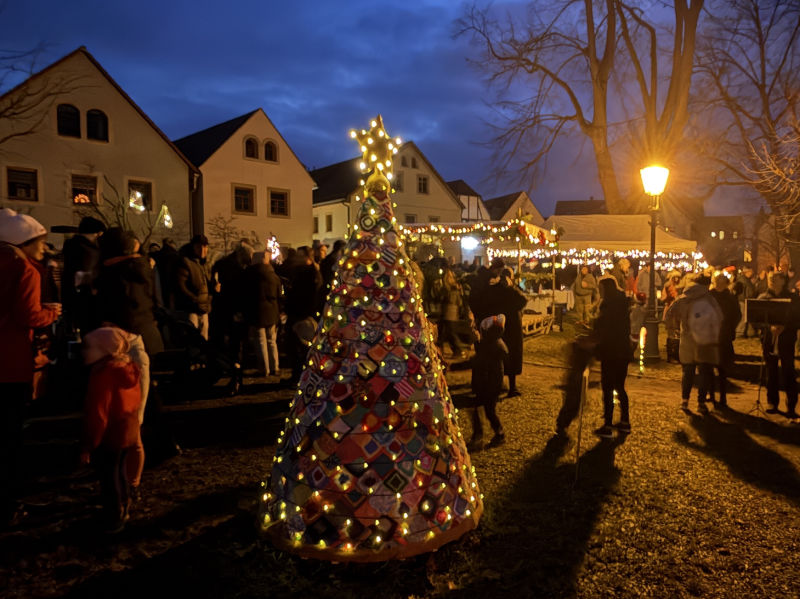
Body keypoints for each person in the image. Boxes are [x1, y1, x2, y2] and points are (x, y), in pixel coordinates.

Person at [0, 209, 61, 525]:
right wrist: (52, 313)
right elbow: (28, 316)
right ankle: (9, 505)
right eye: (39, 242)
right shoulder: (24, 270)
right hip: (10, 361)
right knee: (10, 434)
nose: (43, 248)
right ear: (22, 241)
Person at [94, 227, 164, 495]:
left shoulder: (120, 275)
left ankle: (128, 480)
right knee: (136, 413)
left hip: (125, 347)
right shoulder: (140, 269)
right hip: (135, 343)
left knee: (130, 417)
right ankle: (130, 475)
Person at [80, 326, 142, 533]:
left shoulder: (103, 375)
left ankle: (114, 516)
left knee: (109, 475)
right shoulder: (128, 368)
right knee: (119, 469)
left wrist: (89, 443)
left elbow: (99, 413)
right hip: (127, 429)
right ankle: (124, 505)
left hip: (109, 433)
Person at [665, 274, 723, 414]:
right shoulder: (709, 299)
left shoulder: (683, 298)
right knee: (703, 372)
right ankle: (701, 403)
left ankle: (684, 401)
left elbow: (669, 315)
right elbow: (719, 317)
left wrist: (675, 330)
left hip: (686, 339)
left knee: (687, 371)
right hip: (703, 340)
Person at [592, 277, 632, 438]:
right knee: (620, 386)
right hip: (623, 350)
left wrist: (594, 325)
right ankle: (625, 422)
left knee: (608, 388)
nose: (599, 292)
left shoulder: (608, 305)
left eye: (601, 289)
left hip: (611, 350)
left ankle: (608, 425)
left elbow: (603, 327)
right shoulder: (623, 304)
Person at [757, 271, 799, 418]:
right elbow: (757, 320)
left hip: (786, 339)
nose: (771, 281)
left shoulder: (793, 298)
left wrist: (785, 326)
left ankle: (791, 404)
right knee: (771, 372)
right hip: (769, 340)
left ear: (783, 281)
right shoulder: (763, 298)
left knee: (788, 371)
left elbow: (797, 318)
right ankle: (772, 402)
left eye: (775, 279)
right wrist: (769, 327)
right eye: (770, 279)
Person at [486, 267, 527, 397]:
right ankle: (510, 387)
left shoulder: (496, 289)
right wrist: (510, 288)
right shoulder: (510, 289)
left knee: (503, 356)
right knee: (509, 356)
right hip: (509, 326)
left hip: (501, 325)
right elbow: (523, 300)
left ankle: (502, 385)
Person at [469, 314, 508, 449]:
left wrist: (455, 366)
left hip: (489, 383)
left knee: (488, 410)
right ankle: (480, 434)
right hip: (487, 382)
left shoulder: (492, 346)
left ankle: (496, 434)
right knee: (481, 408)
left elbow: (479, 360)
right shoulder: (494, 343)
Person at [61, 216, 106, 332]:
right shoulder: (89, 250)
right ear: (98, 233)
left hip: (73, 297)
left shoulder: (71, 245)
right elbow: (89, 274)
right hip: (88, 299)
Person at [243, 251, 282, 377]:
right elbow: (279, 295)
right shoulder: (274, 275)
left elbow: (245, 295)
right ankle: (275, 366)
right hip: (272, 312)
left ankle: (264, 369)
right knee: (272, 340)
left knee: (260, 341)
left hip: (256, 312)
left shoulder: (249, 275)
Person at [709, 273, 741, 408]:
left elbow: (737, 315)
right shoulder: (709, 296)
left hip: (724, 336)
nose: (719, 283)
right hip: (709, 335)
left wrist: (729, 327)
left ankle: (722, 396)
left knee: (722, 368)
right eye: (717, 281)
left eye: (721, 281)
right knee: (708, 367)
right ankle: (710, 394)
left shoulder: (730, 298)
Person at [175, 235, 214, 339]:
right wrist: (195, 299)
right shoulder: (186, 262)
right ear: (193, 247)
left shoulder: (204, 264)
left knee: (203, 336)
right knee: (193, 337)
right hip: (192, 308)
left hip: (203, 307)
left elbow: (206, 284)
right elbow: (181, 286)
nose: (202, 250)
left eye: (205, 247)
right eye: (199, 247)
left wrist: (212, 291)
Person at [436, 268, 468, 358]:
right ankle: (451, 350)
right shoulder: (455, 287)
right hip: (451, 312)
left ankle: (458, 350)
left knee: (450, 333)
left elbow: (442, 298)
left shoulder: (448, 288)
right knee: (445, 332)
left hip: (449, 312)